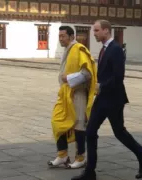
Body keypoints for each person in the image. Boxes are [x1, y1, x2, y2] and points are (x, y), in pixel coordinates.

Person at [71, 20, 142, 180]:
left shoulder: (116, 49)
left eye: (96, 30)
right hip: (101, 99)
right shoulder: (103, 49)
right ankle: (90, 172)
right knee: (91, 132)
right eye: (93, 30)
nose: (94, 33)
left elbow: (119, 76)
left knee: (119, 133)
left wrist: (102, 86)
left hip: (114, 99)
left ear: (106, 31)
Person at [48, 26, 97, 169]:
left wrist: (67, 77)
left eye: (63, 36)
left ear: (71, 36)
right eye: (59, 36)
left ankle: (80, 157)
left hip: (78, 93)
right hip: (65, 94)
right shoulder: (67, 50)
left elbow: (87, 73)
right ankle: (62, 155)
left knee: (79, 124)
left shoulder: (79, 49)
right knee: (57, 121)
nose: (61, 38)